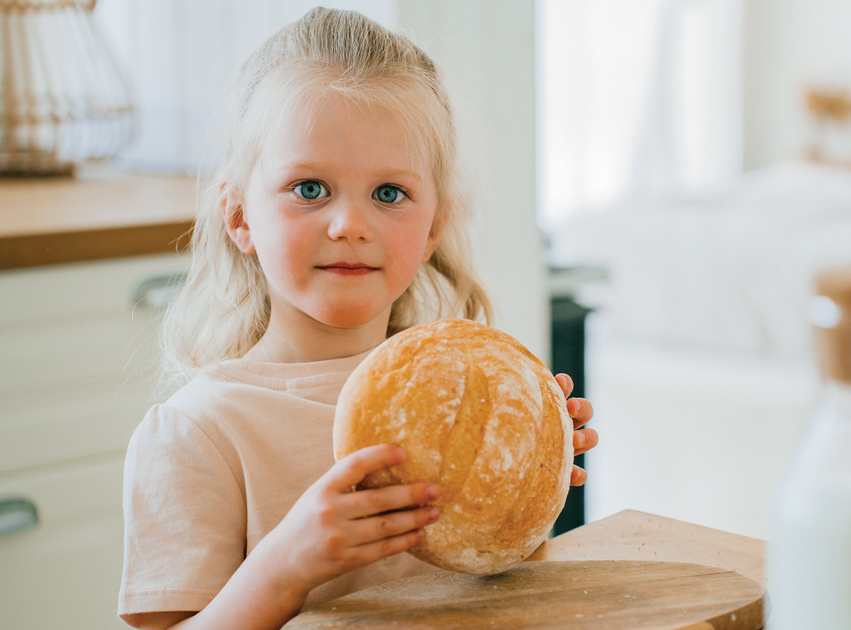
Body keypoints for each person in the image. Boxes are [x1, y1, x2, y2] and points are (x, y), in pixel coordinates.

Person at [118, 9, 598, 630]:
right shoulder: (198, 435)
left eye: (389, 194)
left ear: (433, 227)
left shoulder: (458, 402)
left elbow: (498, 597)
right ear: (239, 216)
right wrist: (285, 567)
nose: (350, 225)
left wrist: (529, 484)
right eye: (310, 188)